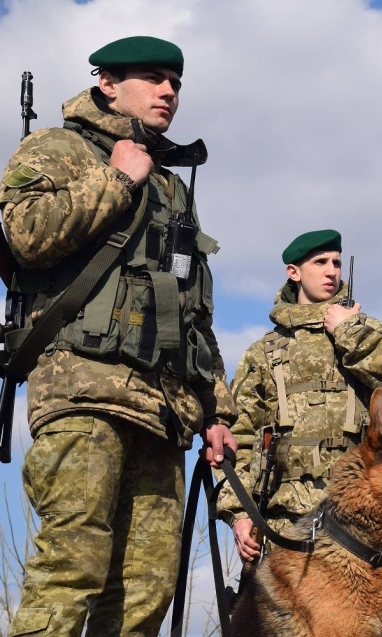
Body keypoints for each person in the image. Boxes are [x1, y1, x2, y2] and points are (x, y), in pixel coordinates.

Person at [0, 36, 237, 636]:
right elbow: (25, 234)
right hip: (83, 390)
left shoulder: (173, 186)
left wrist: (217, 411)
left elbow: (194, 312)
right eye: (154, 78)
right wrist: (116, 181)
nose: (169, 92)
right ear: (107, 83)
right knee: (72, 567)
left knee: (146, 591)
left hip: (164, 412)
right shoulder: (58, 147)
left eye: (176, 83)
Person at [217, 229, 382, 563]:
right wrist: (238, 515)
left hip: (358, 521)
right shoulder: (263, 353)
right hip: (282, 523)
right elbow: (236, 437)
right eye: (321, 262)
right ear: (294, 272)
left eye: (337, 262)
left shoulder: (366, 331)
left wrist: (348, 331)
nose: (332, 271)